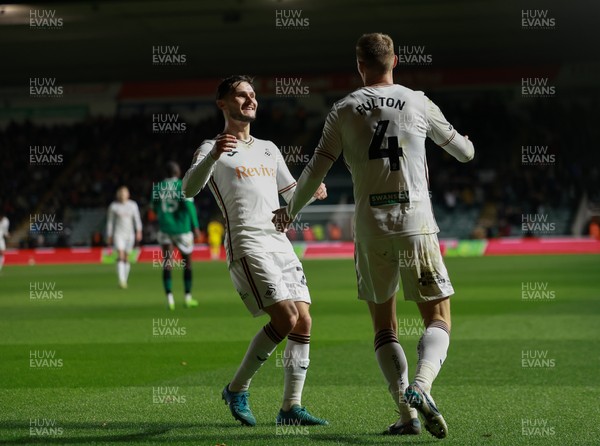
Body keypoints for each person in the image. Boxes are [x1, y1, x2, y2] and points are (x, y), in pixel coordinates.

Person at [272, 33, 475, 438]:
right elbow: (465, 153)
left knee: (385, 327)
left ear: (360, 65)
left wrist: (289, 211)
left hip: (370, 229)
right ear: (395, 60)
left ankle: (406, 415)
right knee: (438, 317)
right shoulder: (418, 101)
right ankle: (422, 386)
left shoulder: (343, 110)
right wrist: (455, 140)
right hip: (416, 223)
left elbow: (315, 171)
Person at [182, 75, 328, 427]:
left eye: (253, 94)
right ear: (223, 103)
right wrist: (214, 154)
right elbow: (188, 188)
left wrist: (311, 191)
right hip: (247, 244)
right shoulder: (211, 147)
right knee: (286, 318)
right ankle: (237, 388)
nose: (250, 100)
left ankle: (291, 407)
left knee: (304, 319)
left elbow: (292, 197)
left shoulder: (269, 147)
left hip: (279, 243)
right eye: (241, 94)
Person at [152, 161, 201, 310]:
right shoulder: (182, 185)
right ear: (176, 172)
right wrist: (196, 226)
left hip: (165, 229)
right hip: (182, 229)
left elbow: (154, 207)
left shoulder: (158, 187)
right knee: (187, 263)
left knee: (167, 262)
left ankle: (169, 299)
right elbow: (189, 206)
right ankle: (187, 297)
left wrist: (164, 218)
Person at [106, 186, 142, 288]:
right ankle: (121, 280)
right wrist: (109, 235)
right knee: (120, 255)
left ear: (128, 194)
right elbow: (110, 222)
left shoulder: (132, 205)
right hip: (118, 234)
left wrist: (139, 231)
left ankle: (124, 279)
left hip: (130, 235)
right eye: (120, 193)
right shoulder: (113, 206)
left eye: (124, 193)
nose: (122, 195)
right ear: (118, 195)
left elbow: (137, 219)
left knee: (126, 257)